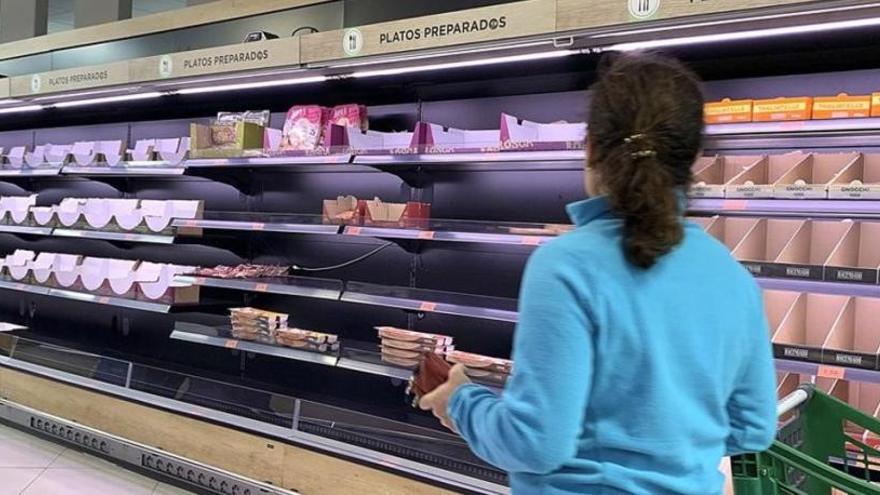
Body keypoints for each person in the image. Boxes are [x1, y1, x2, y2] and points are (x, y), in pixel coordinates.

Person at [419, 52, 777, 495]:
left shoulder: (566, 266)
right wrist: (670, 444)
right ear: (695, 158)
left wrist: (462, 401)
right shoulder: (731, 276)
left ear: (589, 147)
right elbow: (755, 428)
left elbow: (535, 444)